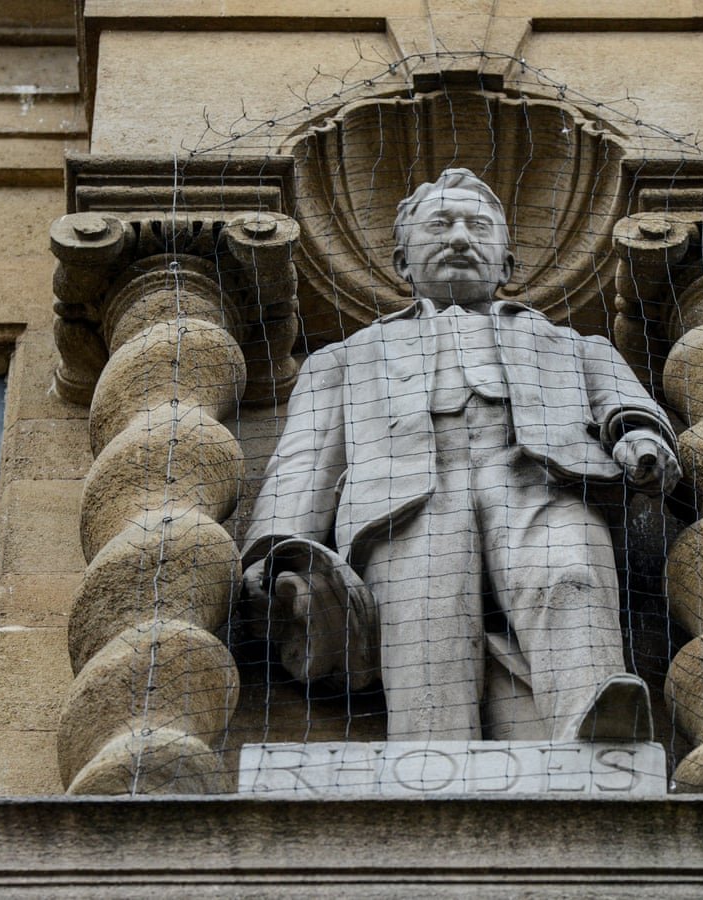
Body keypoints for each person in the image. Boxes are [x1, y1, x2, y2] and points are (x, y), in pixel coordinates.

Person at [241, 168, 680, 742]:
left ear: (506, 265)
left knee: (570, 576)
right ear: (402, 264)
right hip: (404, 503)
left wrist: (642, 436)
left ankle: (594, 717)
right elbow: (303, 461)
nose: (458, 238)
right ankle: (429, 754)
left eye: (477, 226)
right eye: (440, 225)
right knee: (426, 628)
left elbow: (623, 402)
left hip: (540, 484)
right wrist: (272, 551)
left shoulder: (571, 344)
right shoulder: (344, 359)